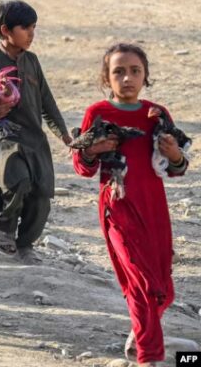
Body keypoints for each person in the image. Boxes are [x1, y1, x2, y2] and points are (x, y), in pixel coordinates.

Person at [72, 44, 189, 367]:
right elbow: (82, 167)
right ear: (106, 78)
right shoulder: (98, 113)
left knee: (163, 286)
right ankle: (149, 356)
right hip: (118, 206)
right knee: (140, 280)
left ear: (145, 75)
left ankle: (140, 334)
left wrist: (174, 154)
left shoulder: (157, 114)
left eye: (135, 71)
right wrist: (93, 150)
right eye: (119, 72)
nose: (127, 78)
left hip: (154, 206)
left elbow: (177, 168)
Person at [0, 0, 71, 264]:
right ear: (5, 30)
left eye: (34, 27)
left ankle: (26, 244)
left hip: (34, 138)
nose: (31, 34)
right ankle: (6, 229)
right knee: (18, 181)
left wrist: (63, 134)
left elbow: (47, 102)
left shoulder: (32, 62)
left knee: (41, 195)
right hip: (4, 137)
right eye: (25, 28)